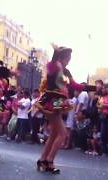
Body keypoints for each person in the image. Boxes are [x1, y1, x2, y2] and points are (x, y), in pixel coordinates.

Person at [35, 45, 96, 174]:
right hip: (52, 100)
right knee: (62, 134)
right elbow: (50, 66)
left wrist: (94, 88)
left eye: (70, 57)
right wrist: (56, 55)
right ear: (62, 57)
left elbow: (75, 85)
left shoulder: (66, 71)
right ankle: (49, 160)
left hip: (59, 101)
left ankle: (43, 159)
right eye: (68, 57)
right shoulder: (54, 66)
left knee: (54, 134)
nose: (69, 59)